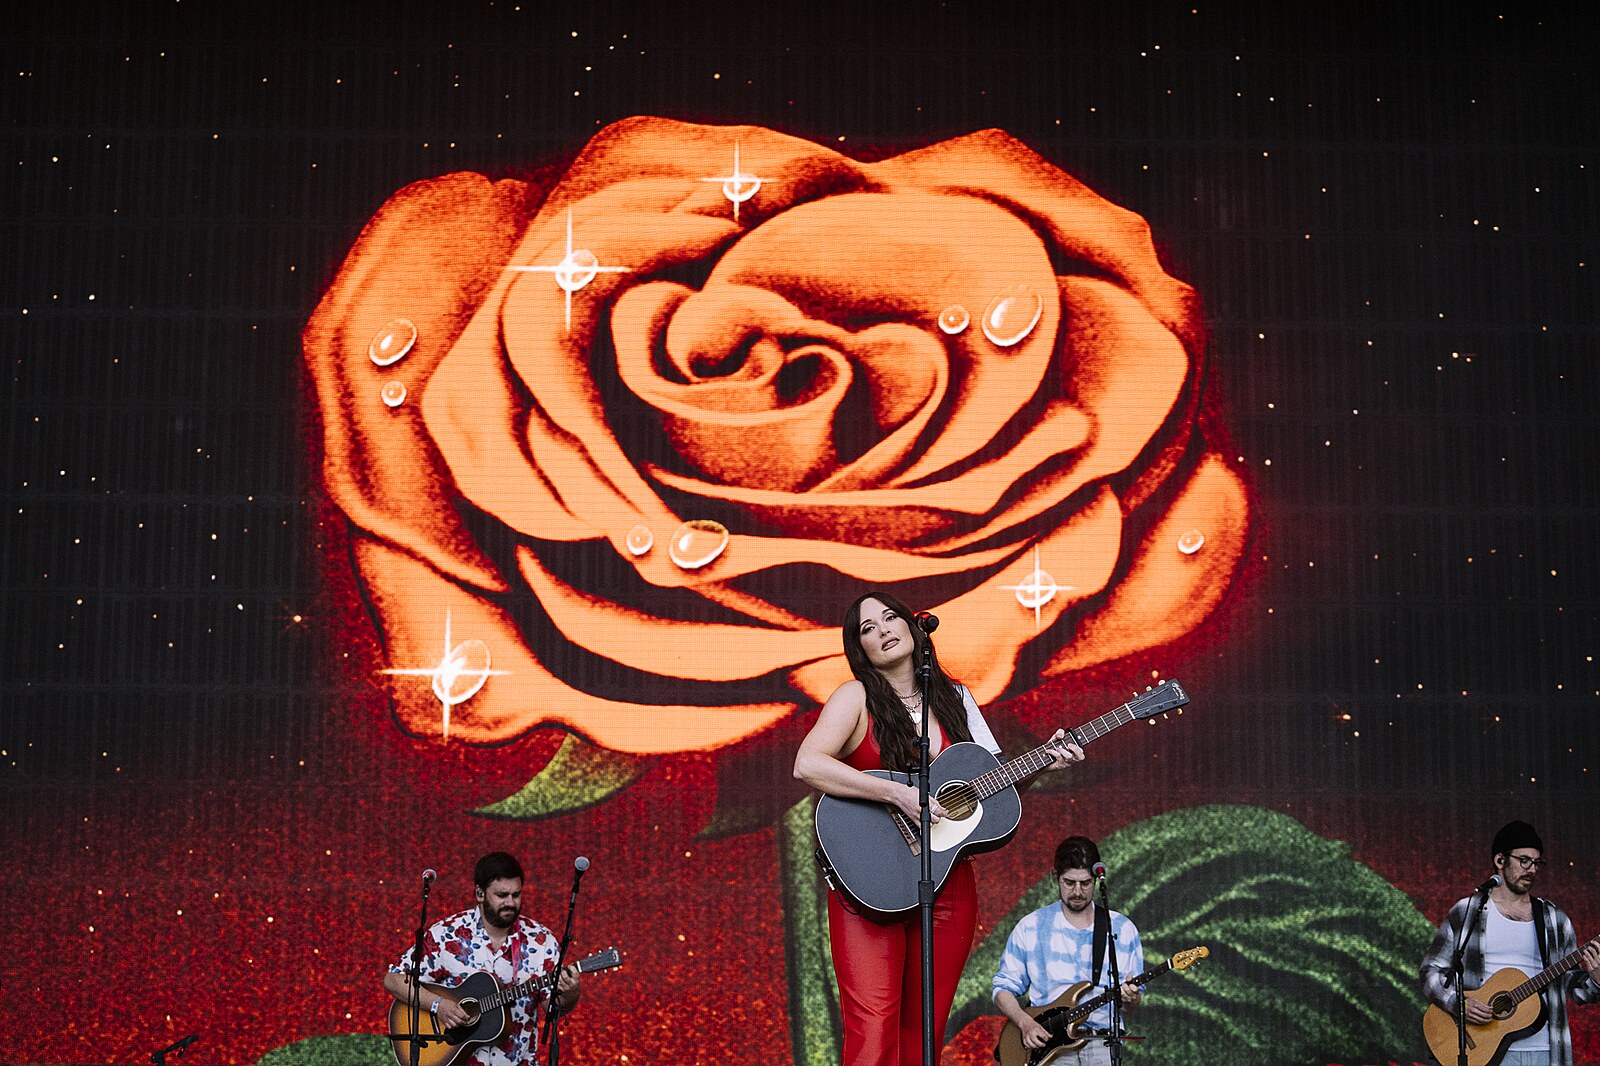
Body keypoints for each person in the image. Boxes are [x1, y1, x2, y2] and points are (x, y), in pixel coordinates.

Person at [794, 591, 1084, 1066]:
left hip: (947, 885)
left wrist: (1043, 765)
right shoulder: (855, 697)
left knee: (924, 1032)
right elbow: (808, 764)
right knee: (873, 1027)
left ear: (912, 627)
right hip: (870, 885)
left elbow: (993, 789)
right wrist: (897, 794)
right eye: (868, 628)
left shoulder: (956, 699)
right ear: (859, 647)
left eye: (891, 618)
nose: (883, 630)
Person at [1419, 821, 1600, 1066]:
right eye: (1524, 861)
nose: (1532, 869)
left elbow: (1576, 989)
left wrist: (1597, 979)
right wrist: (1459, 1004)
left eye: (1537, 863)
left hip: (1546, 1049)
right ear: (1500, 860)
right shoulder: (1468, 912)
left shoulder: (1556, 921)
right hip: (1483, 1050)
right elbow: (1430, 971)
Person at [384, 852, 580, 1066]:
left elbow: (553, 1009)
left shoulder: (541, 941)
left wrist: (570, 992)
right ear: (479, 893)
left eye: (516, 895)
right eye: (502, 895)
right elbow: (394, 979)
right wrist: (438, 1005)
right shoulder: (447, 934)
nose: (510, 902)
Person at [991, 836, 1144, 1066]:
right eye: (1069, 882)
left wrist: (1131, 998)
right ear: (1055, 878)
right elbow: (1002, 989)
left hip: (1102, 1043)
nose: (1078, 891)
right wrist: (1025, 1023)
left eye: (1086, 883)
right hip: (1049, 1045)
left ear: (1096, 879)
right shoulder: (1031, 926)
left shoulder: (1121, 929)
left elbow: (1131, 1004)